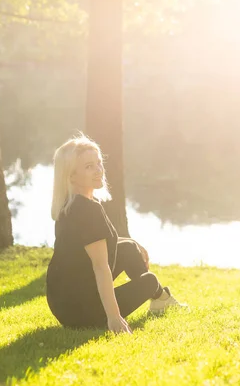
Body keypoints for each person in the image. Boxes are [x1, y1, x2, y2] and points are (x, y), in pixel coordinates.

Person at [46, 133, 186, 334]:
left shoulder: (70, 204)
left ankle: (161, 300)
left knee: (128, 248)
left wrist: (132, 243)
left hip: (64, 305)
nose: (98, 171)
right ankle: (160, 299)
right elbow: (100, 267)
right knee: (150, 281)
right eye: (88, 167)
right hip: (82, 312)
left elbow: (90, 245)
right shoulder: (87, 210)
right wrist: (113, 318)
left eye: (98, 163)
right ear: (71, 176)